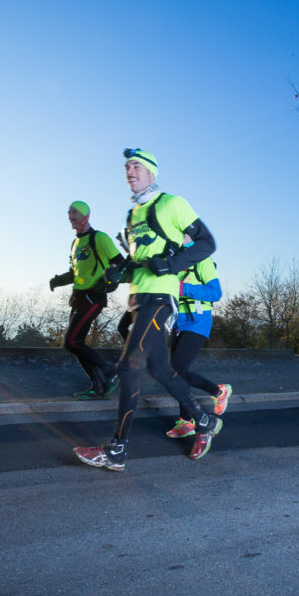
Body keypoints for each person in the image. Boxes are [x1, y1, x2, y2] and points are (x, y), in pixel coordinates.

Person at [73, 147, 223, 471]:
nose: (130, 171)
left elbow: (207, 243)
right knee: (161, 370)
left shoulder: (172, 203)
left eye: (136, 166)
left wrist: (170, 264)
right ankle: (204, 421)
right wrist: (118, 274)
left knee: (129, 368)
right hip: (138, 298)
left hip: (160, 298)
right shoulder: (132, 216)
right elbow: (138, 263)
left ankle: (117, 449)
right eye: (127, 167)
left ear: (152, 173)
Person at [49, 200, 124, 399]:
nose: (70, 217)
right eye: (69, 213)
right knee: (75, 342)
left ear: (85, 216)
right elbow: (74, 273)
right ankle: (98, 386)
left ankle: (110, 370)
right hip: (79, 296)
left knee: (72, 341)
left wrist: (108, 282)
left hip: (95, 296)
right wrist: (57, 281)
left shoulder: (99, 238)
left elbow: (119, 263)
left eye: (74, 213)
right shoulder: (75, 243)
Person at [166, 238, 232, 438]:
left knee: (177, 369)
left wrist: (183, 289)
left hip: (198, 320)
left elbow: (216, 293)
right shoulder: (175, 262)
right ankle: (187, 420)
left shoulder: (203, 261)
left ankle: (215, 394)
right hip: (178, 322)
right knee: (175, 371)